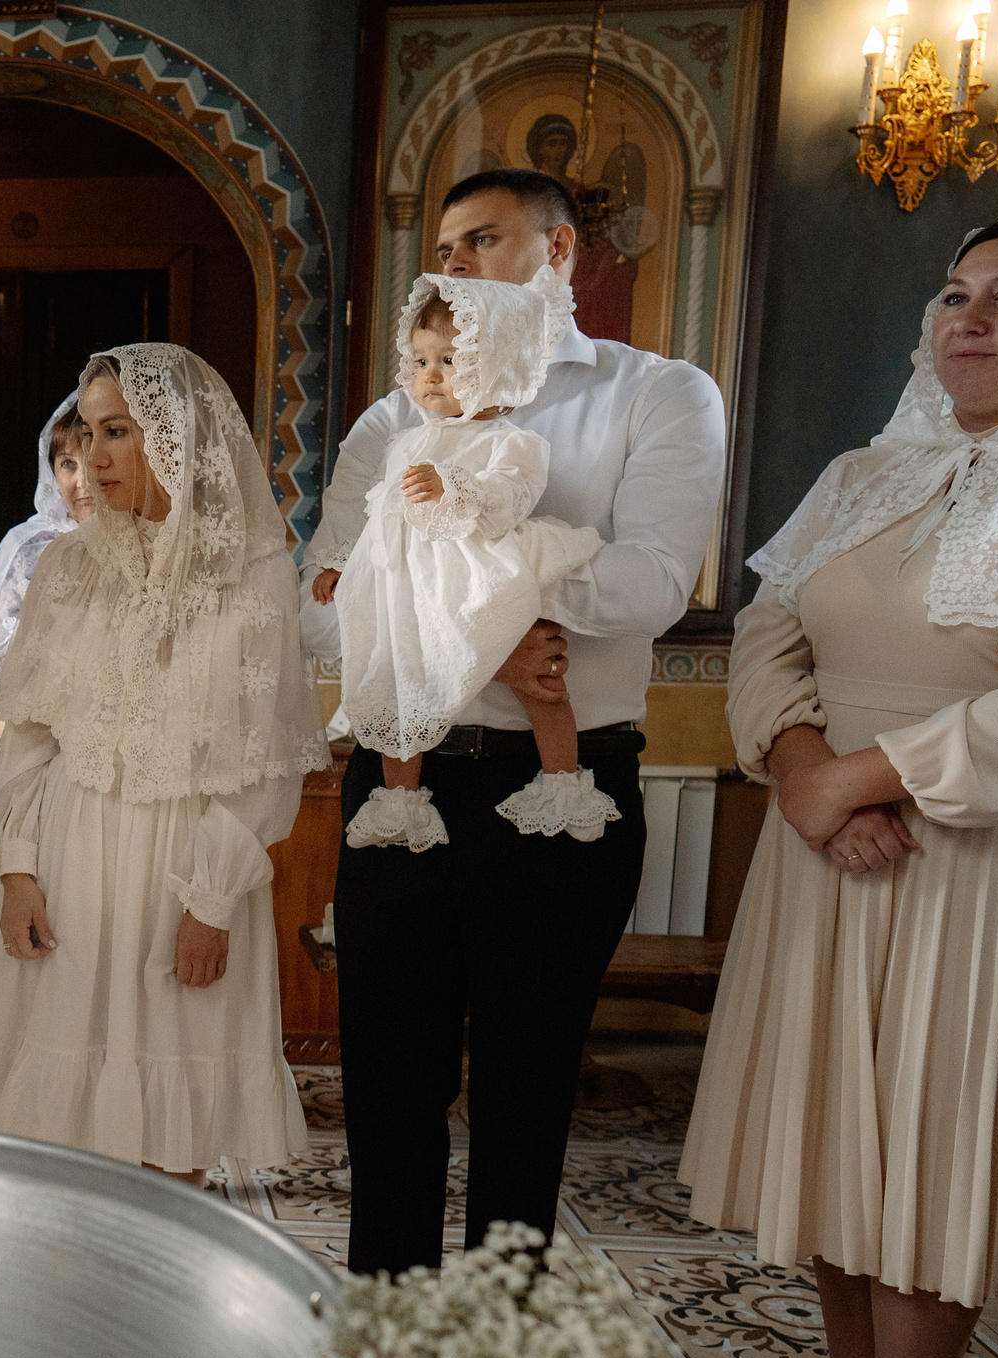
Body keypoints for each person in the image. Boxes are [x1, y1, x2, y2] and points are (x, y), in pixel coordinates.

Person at [685, 210, 998, 1358]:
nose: (967, 319)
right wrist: (805, 770)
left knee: (935, 1145)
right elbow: (767, 633)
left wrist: (864, 779)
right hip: (831, 843)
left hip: (984, 856)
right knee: (835, 1130)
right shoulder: (862, 470)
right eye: (952, 293)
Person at [301, 167, 726, 1278]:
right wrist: (492, 625)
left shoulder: (654, 394)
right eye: (445, 248)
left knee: (527, 1089)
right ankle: (388, 1328)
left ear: (559, 251)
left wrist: (455, 589)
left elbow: (651, 583)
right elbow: (322, 606)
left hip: (560, 783)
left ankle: (499, 1347)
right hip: (405, 775)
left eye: (483, 239)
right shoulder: (396, 416)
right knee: (386, 1081)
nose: (456, 264)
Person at [0, 345, 326, 1173]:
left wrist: (212, 900)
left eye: (117, 431)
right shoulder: (67, 566)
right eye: (87, 434)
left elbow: (267, 761)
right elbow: (30, 735)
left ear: (176, 437)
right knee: (58, 1134)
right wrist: (17, 869)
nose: (94, 457)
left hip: (184, 871)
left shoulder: (254, 575)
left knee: (175, 1129)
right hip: (71, 870)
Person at [315, 272, 616, 852]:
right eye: (422, 360)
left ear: (497, 367)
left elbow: (507, 498)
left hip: (483, 572)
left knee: (539, 678)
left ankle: (562, 781)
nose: (430, 375)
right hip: (416, 586)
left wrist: (450, 487)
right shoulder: (404, 441)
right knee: (400, 688)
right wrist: (343, 565)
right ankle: (400, 800)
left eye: (450, 360)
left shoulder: (510, 441)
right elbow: (382, 518)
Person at [0, 396, 93, 907]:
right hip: (33, 775)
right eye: (67, 464)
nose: (81, 481)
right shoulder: (31, 549)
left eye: (91, 459)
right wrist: (48, 770)